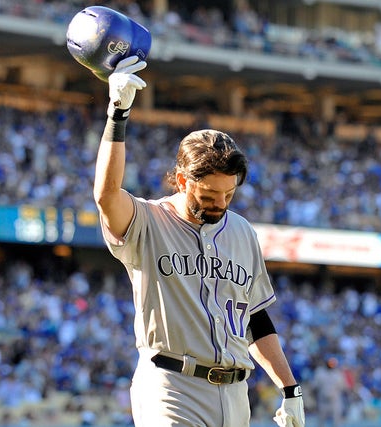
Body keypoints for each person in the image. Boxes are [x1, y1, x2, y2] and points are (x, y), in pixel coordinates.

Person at [93, 55, 305, 427]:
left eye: (228, 194)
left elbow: (255, 317)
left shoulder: (242, 232)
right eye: (209, 194)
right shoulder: (148, 220)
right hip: (171, 386)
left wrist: (289, 389)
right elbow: (107, 196)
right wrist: (117, 114)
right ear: (181, 179)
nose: (220, 204)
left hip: (235, 394)